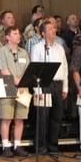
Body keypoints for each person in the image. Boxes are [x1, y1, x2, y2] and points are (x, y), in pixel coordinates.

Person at [30, 20, 68, 154]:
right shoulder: (38, 48)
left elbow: (64, 67)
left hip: (57, 84)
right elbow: (35, 70)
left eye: (54, 28)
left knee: (56, 116)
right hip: (44, 84)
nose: (54, 31)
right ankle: (40, 147)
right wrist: (37, 89)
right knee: (43, 117)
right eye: (50, 29)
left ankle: (53, 146)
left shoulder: (60, 47)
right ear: (43, 33)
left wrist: (65, 87)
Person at [0, 26, 30, 157]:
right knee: (6, 117)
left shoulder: (24, 52)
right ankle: (5, 146)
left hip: (23, 88)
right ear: (8, 37)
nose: (18, 35)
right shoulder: (1, 52)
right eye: (15, 33)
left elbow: (27, 69)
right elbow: (3, 70)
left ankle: (17, 145)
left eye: (19, 33)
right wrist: (16, 80)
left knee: (20, 118)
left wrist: (22, 81)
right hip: (7, 87)